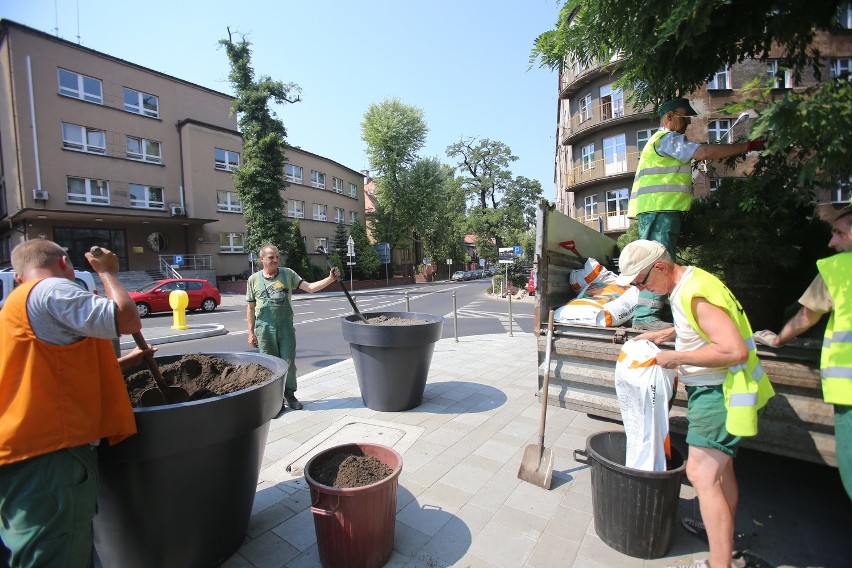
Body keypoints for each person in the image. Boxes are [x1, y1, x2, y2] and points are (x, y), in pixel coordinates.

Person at [615, 240, 774, 568]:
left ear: (659, 267)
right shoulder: (691, 283)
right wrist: (666, 334)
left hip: (719, 394)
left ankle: (719, 564)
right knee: (721, 471)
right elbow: (703, 325)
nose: (643, 290)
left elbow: (734, 350)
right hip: (729, 390)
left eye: (642, 282)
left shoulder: (693, 291)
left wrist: (676, 357)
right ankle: (724, 546)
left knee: (702, 475)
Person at [0, 240, 146, 567]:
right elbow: (126, 319)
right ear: (65, 263)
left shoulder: (15, 306)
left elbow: (47, 371)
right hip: (49, 456)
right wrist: (107, 272)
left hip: (23, 450)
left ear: (19, 276)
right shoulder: (51, 289)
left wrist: (121, 364)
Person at [627, 97, 766, 330]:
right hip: (659, 208)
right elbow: (703, 152)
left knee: (664, 260)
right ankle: (645, 316)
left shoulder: (665, 142)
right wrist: (746, 146)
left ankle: (659, 311)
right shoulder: (666, 139)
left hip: (662, 209)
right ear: (669, 117)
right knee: (657, 260)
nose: (687, 124)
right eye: (684, 118)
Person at [753, 208, 852, 499]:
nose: (832, 243)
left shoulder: (839, 269)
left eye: (840, 234)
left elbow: (807, 317)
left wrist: (778, 339)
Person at [247, 243, 340, 411]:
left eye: (277, 257)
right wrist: (251, 332)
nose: (276, 260)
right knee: (270, 364)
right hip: (264, 328)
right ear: (262, 259)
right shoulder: (253, 280)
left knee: (288, 362)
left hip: (285, 326)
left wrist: (330, 279)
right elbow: (251, 308)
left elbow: (310, 288)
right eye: (271, 257)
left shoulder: (287, 274)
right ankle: (275, 400)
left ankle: (289, 395)